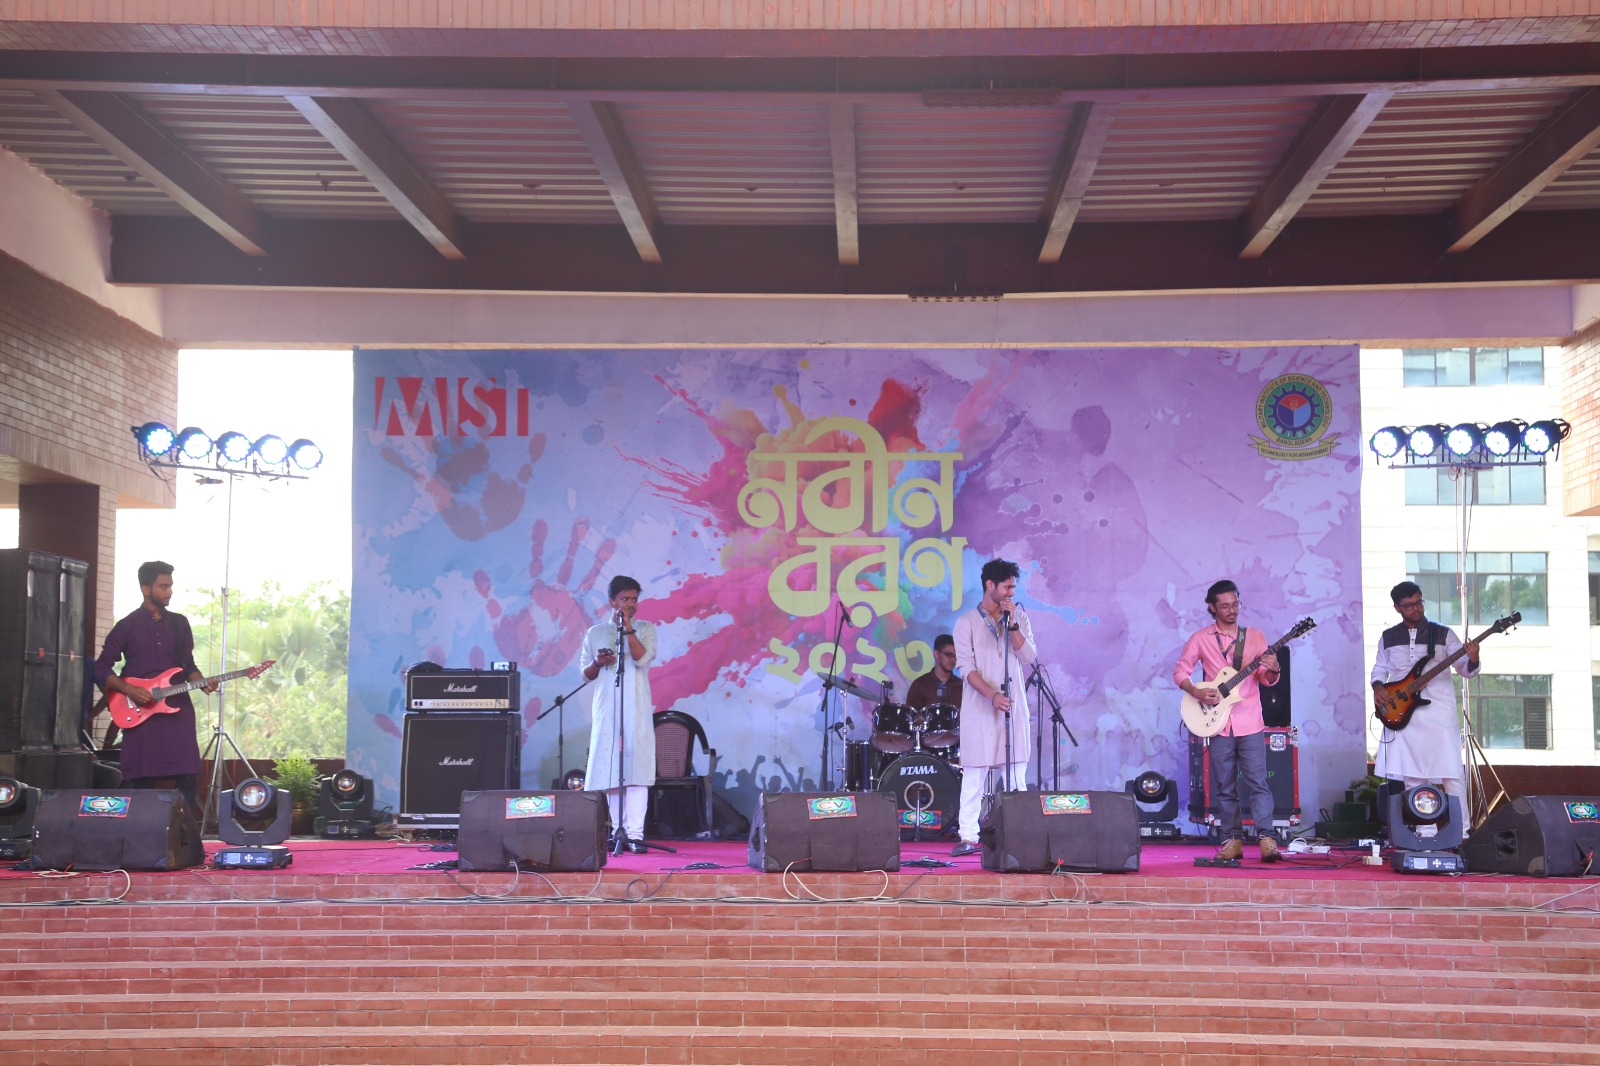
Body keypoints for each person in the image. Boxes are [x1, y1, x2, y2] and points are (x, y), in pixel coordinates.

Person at [1172, 579, 1282, 862]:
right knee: (1224, 785)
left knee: (1258, 782)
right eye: (1225, 606)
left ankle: (1267, 840)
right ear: (1212, 607)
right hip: (1218, 722)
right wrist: (1196, 691)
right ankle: (1232, 840)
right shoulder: (1200, 638)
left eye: (1235, 604)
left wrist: (1273, 668)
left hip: (1250, 720)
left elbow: (1265, 679)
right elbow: (1180, 671)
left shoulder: (1254, 636)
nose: (1232, 610)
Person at [93, 561, 215, 813]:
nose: (170, 591)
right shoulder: (126, 626)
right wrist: (130, 690)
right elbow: (101, 668)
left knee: (187, 776)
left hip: (177, 708)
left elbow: (188, 665)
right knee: (140, 777)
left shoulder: (179, 623)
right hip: (141, 711)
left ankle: (183, 832)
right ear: (146, 589)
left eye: (170, 586)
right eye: (164, 586)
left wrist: (201, 681)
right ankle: (142, 829)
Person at [949, 559, 1036, 856]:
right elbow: (966, 669)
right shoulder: (966, 623)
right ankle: (968, 836)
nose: (1012, 592)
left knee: (1015, 774)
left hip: (1013, 707)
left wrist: (1013, 625)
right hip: (979, 708)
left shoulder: (1019, 617)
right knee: (974, 773)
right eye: (1007, 587)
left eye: (1014, 587)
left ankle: (1019, 835)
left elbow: (1028, 657)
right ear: (990, 585)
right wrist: (992, 696)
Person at [1371, 580, 1479, 809]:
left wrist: (1473, 658)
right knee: (1412, 776)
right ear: (1397, 608)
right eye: (1409, 605)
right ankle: (1424, 826)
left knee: (1452, 774)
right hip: (1403, 712)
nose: (1416, 608)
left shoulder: (1443, 633)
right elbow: (1379, 668)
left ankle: (1462, 827)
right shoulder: (1388, 637)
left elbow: (1464, 668)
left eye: (1419, 602)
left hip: (1439, 713)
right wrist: (1378, 687)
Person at [579, 575, 657, 853]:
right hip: (607, 708)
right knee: (610, 768)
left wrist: (629, 630)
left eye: (634, 599)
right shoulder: (595, 632)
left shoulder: (645, 628)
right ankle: (617, 832)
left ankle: (635, 835)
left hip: (637, 707)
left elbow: (642, 658)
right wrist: (598, 662)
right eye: (625, 599)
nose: (630, 604)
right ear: (612, 601)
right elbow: (585, 674)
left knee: (638, 769)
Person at [904, 633, 963, 711]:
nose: (953, 660)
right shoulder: (920, 684)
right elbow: (911, 715)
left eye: (956, 656)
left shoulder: (961, 686)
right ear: (936, 654)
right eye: (949, 655)